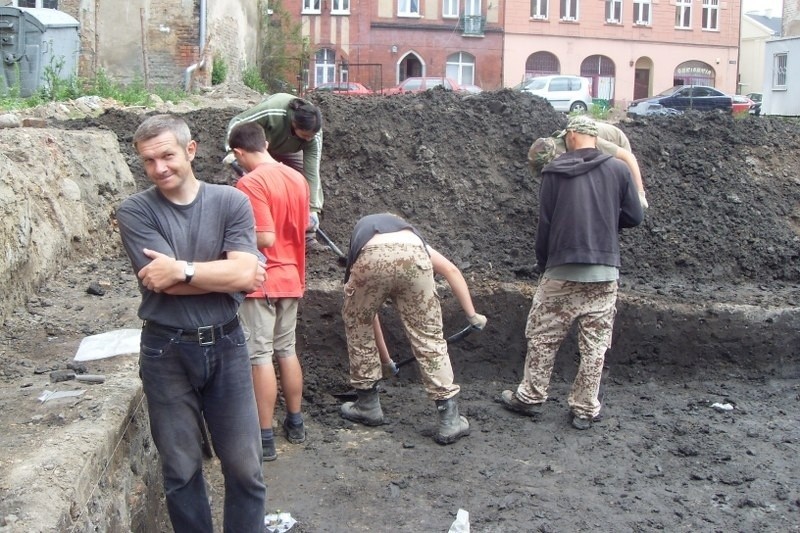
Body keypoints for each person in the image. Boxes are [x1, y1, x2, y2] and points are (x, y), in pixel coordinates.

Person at [115, 114, 267, 532]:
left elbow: (246, 276)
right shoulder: (135, 211)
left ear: (190, 150)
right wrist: (222, 273)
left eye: (166, 155)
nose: (159, 168)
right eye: (149, 161)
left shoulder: (231, 201)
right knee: (181, 471)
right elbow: (163, 284)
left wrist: (181, 270)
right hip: (166, 351)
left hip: (227, 343)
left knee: (244, 467)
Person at [501, 115, 644, 430]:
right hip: (604, 271)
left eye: (567, 135)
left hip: (562, 268)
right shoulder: (619, 170)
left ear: (576, 135)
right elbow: (634, 216)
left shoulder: (554, 172)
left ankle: (530, 397)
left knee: (543, 335)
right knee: (595, 342)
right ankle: (584, 409)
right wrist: (605, 221)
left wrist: (543, 265)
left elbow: (545, 227)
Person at [339, 213, 487, 445]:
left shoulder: (362, 239)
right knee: (429, 336)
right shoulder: (414, 240)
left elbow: (367, 319)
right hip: (414, 259)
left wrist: (386, 362)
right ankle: (450, 419)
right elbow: (452, 271)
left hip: (371, 259)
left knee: (358, 326)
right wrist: (472, 314)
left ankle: (368, 404)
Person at [228, 121, 311, 462]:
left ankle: (264, 438)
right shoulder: (297, 178)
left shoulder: (250, 182)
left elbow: (264, 237)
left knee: (259, 356)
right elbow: (302, 228)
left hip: (262, 280)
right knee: (287, 350)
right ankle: (296, 422)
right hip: (291, 276)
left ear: (239, 152)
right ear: (265, 143)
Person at [225, 93, 325, 251]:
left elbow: (312, 172)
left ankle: (305, 237)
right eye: (305, 135)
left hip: (290, 150)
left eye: (310, 137)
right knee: (245, 183)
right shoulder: (273, 112)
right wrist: (232, 150)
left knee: (297, 182)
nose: (308, 139)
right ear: (294, 123)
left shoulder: (313, 135)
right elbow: (237, 122)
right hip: (260, 148)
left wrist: (313, 209)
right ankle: (246, 228)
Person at [528, 119, 649, 209]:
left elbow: (628, 157)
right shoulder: (552, 146)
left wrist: (640, 193)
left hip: (617, 142)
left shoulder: (587, 139)